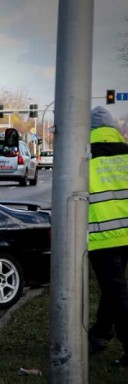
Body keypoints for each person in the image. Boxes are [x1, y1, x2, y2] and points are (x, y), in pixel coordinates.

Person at [87, 106, 128, 366]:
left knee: (116, 292)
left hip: (103, 237)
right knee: (112, 290)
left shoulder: (83, 157)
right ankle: (100, 334)